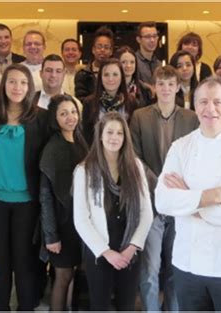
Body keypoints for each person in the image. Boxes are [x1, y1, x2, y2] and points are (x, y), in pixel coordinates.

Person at [155, 77, 221, 311]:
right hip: (188, 263)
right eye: (203, 101)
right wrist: (215, 196)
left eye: (217, 102)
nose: (210, 108)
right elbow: (163, 200)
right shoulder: (180, 147)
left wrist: (191, 203)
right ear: (195, 107)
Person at [0, 63, 48, 310]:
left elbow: (44, 160)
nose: (17, 87)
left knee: (23, 261)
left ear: (30, 87)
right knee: (1, 262)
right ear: (3, 85)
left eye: (23, 82)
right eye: (12, 81)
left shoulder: (40, 117)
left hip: (27, 203)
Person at [130, 65, 199, 312]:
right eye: (161, 84)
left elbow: (195, 157)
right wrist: (159, 184)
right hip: (150, 202)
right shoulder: (139, 116)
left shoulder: (191, 118)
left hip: (180, 204)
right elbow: (135, 157)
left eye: (171, 84)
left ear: (178, 87)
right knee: (149, 268)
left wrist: (176, 187)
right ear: (154, 87)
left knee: (175, 266)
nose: (166, 89)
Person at [73, 112, 153, 310]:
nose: (114, 137)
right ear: (100, 135)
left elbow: (146, 212)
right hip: (100, 251)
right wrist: (106, 252)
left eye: (119, 133)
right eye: (109, 132)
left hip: (129, 249)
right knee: (99, 306)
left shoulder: (135, 166)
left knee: (126, 306)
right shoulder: (84, 170)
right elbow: (81, 219)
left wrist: (132, 247)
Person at [39, 94, 88, 310]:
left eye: (73, 112)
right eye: (64, 113)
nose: (70, 117)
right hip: (61, 223)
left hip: (78, 221)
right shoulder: (53, 147)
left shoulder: (80, 141)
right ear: (55, 118)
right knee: (63, 277)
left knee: (72, 275)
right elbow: (46, 196)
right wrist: (51, 235)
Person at [81, 58, 138, 146]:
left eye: (115, 74)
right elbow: (87, 137)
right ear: (100, 77)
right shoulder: (89, 102)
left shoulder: (131, 102)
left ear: (121, 77)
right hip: (97, 154)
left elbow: (134, 135)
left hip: (124, 154)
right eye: (106, 75)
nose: (110, 79)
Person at [75, 26, 114, 101]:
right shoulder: (83, 74)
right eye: (99, 47)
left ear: (111, 51)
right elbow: (81, 100)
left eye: (106, 47)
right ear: (93, 50)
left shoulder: (117, 74)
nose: (102, 50)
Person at [135, 21, 162, 95]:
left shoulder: (159, 64)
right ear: (138, 39)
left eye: (154, 36)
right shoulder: (133, 62)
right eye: (148, 37)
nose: (152, 40)